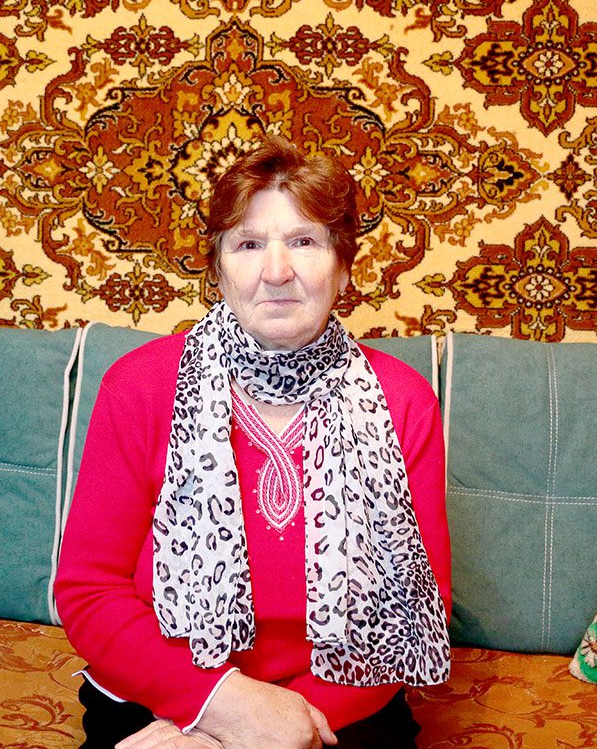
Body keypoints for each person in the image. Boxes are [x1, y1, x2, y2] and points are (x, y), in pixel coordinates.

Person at [54, 137, 451, 749]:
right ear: (217, 270)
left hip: (340, 706)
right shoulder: (138, 386)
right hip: (157, 698)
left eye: (305, 242)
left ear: (344, 267)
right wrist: (220, 710)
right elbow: (89, 589)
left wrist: (283, 725)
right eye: (248, 245)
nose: (276, 271)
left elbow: (418, 607)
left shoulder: (404, 400)